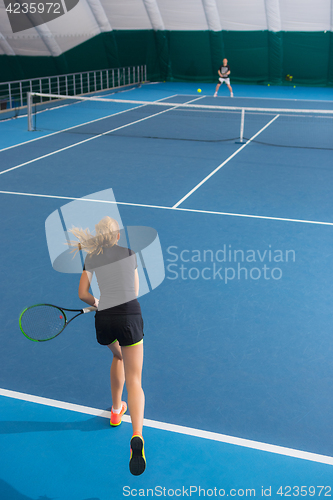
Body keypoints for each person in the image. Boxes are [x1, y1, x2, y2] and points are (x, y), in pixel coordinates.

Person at [68, 216, 146, 476]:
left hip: (105, 322)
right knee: (135, 379)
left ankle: (115, 411)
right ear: (117, 236)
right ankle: (137, 435)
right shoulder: (129, 254)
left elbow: (83, 294)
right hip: (129, 319)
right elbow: (131, 292)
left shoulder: (91, 257)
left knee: (118, 357)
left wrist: (98, 303)